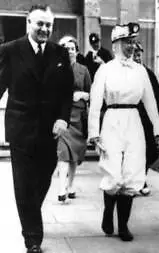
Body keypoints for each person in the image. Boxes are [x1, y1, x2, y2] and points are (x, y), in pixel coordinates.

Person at [0, 4, 74, 253]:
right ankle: (32, 239)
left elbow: (66, 92)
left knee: (43, 177)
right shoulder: (10, 51)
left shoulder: (59, 53)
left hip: (49, 129)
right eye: (40, 24)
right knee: (23, 183)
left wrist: (63, 118)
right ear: (28, 23)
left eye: (49, 25)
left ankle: (31, 214)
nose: (44, 29)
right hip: (21, 128)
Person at [88, 22, 159, 242]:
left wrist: (157, 131)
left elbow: (150, 103)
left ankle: (123, 226)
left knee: (132, 171)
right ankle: (107, 213)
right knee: (113, 171)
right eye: (127, 42)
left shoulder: (140, 71)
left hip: (134, 122)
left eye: (133, 42)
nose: (131, 47)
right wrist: (94, 133)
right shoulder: (105, 69)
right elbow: (94, 104)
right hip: (112, 120)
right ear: (116, 44)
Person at [56, 35, 92, 202]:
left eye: (72, 48)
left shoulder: (83, 70)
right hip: (62, 117)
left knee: (74, 155)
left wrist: (83, 95)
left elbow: (91, 93)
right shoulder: (56, 68)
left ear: (76, 51)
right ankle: (61, 188)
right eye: (66, 48)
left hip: (79, 118)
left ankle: (70, 186)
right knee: (63, 153)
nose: (69, 51)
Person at [132, 41, 159, 196]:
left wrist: (158, 117)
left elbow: (157, 97)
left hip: (147, 119)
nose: (137, 57)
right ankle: (138, 181)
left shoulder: (148, 73)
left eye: (139, 54)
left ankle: (141, 175)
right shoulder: (127, 73)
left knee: (151, 151)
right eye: (134, 54)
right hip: (131, 118)